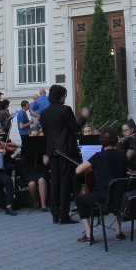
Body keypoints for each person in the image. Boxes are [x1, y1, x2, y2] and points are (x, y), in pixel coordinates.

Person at [40, 84, 89, 225]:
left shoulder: (44, 113)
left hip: (52, 150)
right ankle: (64, 214)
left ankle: (55, 213)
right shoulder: (65, 110)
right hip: (66, 150)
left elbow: (47, 133)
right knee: (65, 181)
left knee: (54, 181)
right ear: (61, 96)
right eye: (65, 95)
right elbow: (76, 128)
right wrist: (84, 117)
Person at [74, 127, 128, 243]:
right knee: (115, 198)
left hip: (102, 197)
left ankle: (89, 234)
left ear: (102, 140)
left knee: (79, 200)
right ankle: (119, 232)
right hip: (119, 195)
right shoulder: (122, 154)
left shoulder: (98, 156)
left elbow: (78, 170)